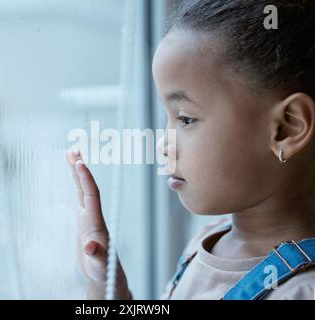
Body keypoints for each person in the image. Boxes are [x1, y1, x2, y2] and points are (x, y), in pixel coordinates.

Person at [66, 0, 315, 300]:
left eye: (185, 118)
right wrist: (107, 288)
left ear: (287, 128)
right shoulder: (207, 241)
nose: (163, 146)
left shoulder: (301, 291)